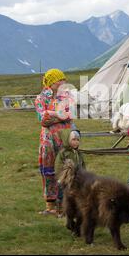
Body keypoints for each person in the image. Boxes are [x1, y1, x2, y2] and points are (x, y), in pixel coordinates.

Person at [35, 68, 75, 216]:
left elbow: (71, 114)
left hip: (64, 137)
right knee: (48, 169)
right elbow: (43, 120)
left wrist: (55, 116)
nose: (63, 82)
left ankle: (64, 205)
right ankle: (50, 205)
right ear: (52, 83)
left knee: (66, 168)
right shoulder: (41, 98)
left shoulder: (67, 97)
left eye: (64, 80)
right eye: (60, 80)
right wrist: (61, 116)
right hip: (48, 140)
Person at [54, 129, 86, 216]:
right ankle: (60, 210)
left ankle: (73, 210)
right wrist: (62, 177)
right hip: (65, 179)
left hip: (76, 179)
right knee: (62, 194)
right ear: (68, 140)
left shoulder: (79, 154)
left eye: (77, 140)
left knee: (75, 195)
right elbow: (58, 166)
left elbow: (83, 165)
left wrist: (84, 175)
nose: (76, 142)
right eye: (73, 140)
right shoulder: (63, 153)